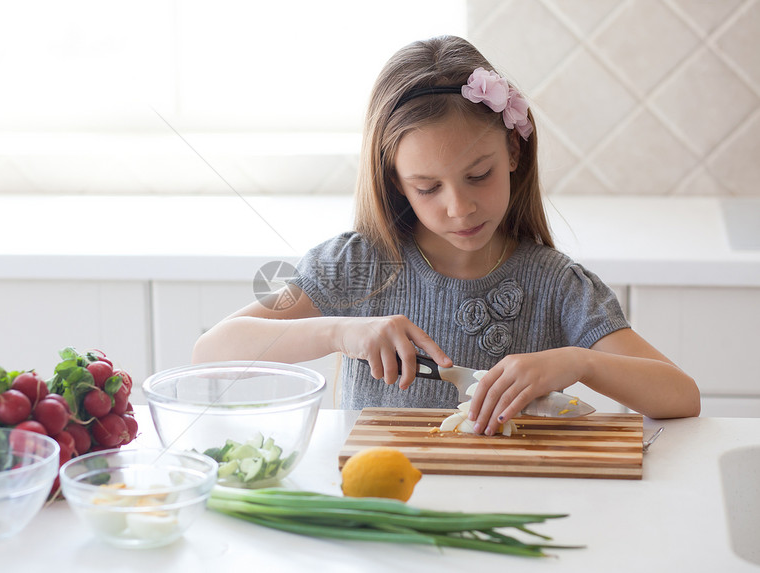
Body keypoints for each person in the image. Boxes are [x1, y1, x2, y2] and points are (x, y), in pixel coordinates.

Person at [192, 35, 700, 433]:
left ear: (514, 154)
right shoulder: (356, 266)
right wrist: (340, 331)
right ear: (395, 181)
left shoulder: (555, 284)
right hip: (386, 519)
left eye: (479, 175)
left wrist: (578, 363)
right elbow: (212, 352)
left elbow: (681, 395)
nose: (460, 207)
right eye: (428, 186)